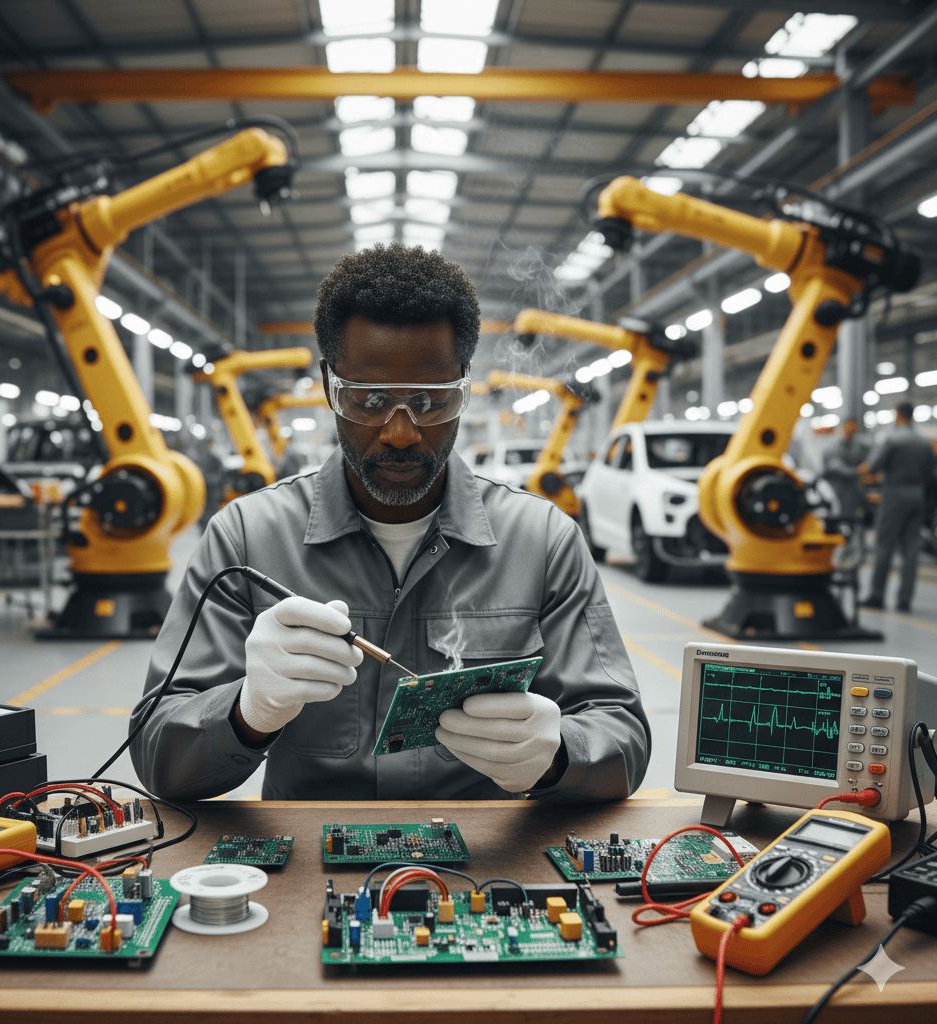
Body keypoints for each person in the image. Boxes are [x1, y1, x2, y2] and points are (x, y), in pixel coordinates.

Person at [130, 244, 650, 802]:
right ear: (330, 385)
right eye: (370, 398)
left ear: (464, 387)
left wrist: (559, 754)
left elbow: (621, 735)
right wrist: (244, 712)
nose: (400, 432)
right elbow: (159, 755)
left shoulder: (542, 541)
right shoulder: (246, 539)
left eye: (430, 400)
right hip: (311, 868)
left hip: (482, 862)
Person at [859, 402, 937, 612]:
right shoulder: (924, 441)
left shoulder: (893, 438)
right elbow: (931, 473)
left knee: (884, 545)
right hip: (918, 494)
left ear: (898, 415)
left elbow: (873, 466)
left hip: (895, 493)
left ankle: (877, 595)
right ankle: (905, 599)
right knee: (911, 549)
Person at [822, 418, 870, 520]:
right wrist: (858, 470)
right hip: (837, 491)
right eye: (849, 427)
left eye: (854, 429)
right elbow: (836, 469)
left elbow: (867, 465)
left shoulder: (860, 448)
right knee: (838, 520)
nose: (851, 431)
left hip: (855, 493)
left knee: (854, 521)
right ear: (842, 427)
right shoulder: (832, 448)